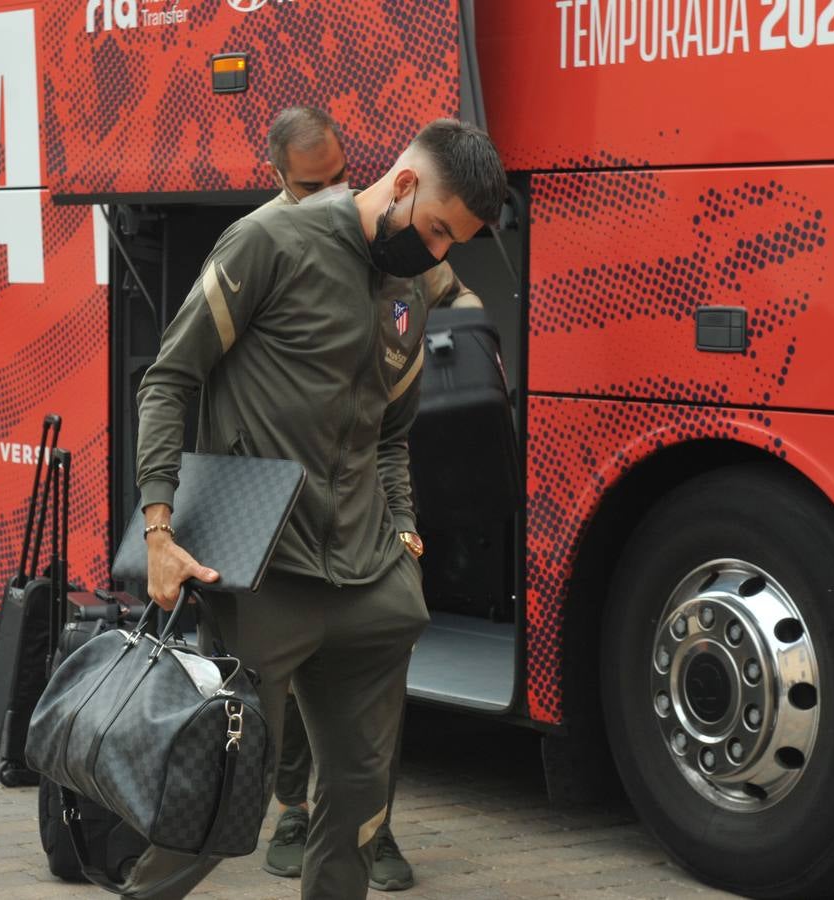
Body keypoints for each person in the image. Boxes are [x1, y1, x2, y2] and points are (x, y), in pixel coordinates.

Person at [130, 119, 507, 900]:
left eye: (454, 245)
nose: (438, 253)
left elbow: (394, 434)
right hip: (267, 574)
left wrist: (403, 534)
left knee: (360, 811)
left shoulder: (408, 289)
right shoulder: (267, 242)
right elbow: (169, 379)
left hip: (371, 579)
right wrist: (158, 528)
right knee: (218, 793)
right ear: (402, 183)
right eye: (437, 229)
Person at [255, 107, 485, 892]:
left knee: (375, 664)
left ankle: (368, 827)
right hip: (279, 504)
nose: (329, 193)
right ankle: (293, 809)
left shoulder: (396, 246)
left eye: (338, 178)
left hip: (366, 488)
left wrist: (439, 368)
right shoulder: (267, 244)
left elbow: (457, 305)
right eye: (310, 184)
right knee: (288, 668)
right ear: (276, 178)